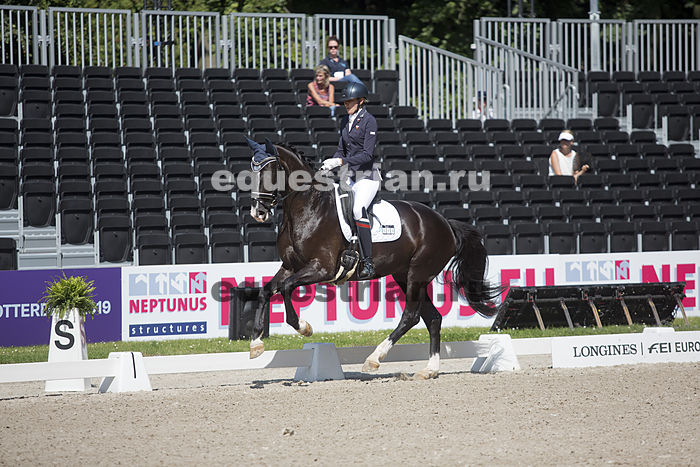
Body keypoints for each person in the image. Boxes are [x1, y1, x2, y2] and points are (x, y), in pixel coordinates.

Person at [320, 81, 379, 279]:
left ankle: (368, 261)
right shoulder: (346, 120)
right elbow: (341, 149)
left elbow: (367, 155)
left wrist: (340, 161)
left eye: (350, 101)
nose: (346, 104)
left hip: (367, 177)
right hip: (350, 176)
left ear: (361, 101)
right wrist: (330, 163)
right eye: (345, 101)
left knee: (357, 210)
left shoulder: (369, 121)